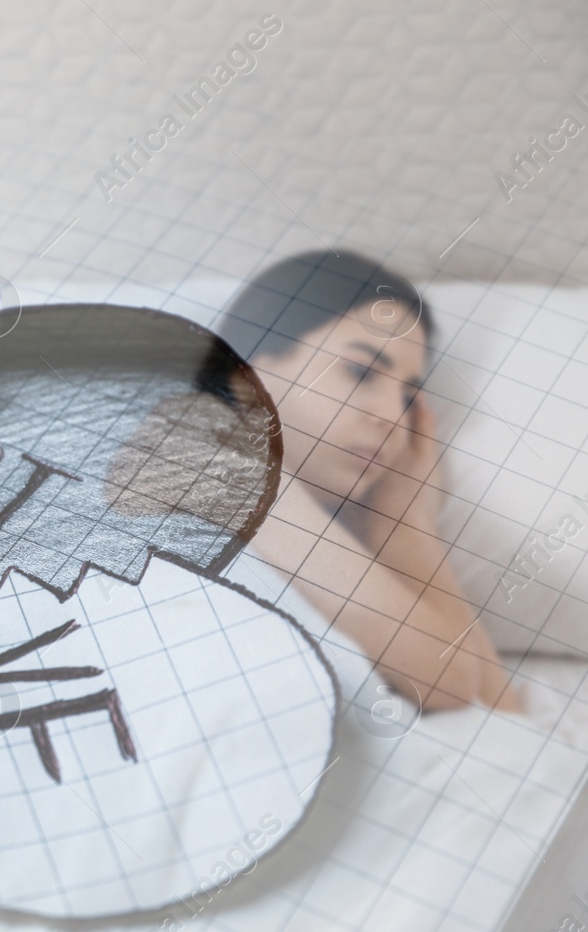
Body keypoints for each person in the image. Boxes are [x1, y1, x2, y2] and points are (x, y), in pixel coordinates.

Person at [215, 249, 518, 712]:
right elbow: (450, 680)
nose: (391, 418)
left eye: (407, 397)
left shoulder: (315, 523)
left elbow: (501, 722)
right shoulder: (200, 447)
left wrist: (403, 520)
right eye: (360, 372)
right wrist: (403, 527)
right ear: (248, 366)